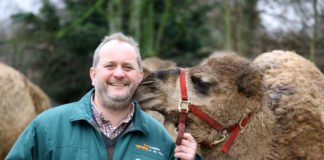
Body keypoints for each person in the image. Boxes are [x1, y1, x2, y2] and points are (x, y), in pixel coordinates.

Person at [6, 32, 202, 160]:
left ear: (140, 76)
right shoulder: (47, 128)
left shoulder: (161, 139)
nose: (118, 74)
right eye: (110, 66)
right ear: (93, 75)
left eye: (127, 67)